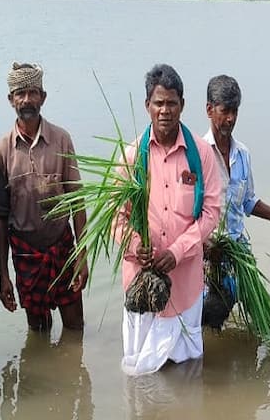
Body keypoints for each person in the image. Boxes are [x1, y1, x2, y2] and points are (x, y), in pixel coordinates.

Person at [118, 64, 223, 375]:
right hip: (142, 285)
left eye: (172, 103)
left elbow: (211, 212)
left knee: (186, 370)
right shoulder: (131, 156)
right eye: (159, 103)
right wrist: (135, 246)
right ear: (147, 105)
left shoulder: (200, 155)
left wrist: (177, 251)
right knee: (140, 372)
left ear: (182, 105)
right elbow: (117, 216)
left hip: (184, 286)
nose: (165, 110)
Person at [0, 62, 88, 331]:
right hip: (26, 254)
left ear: (43, 97)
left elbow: (77, 201)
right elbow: (0, 217)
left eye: (32, 92)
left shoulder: (61, 140)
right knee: (38, 329)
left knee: (75, 326)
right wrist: (3, 275)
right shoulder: (2, 151)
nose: (27, 99)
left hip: (62, 247)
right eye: (20, 93)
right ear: (11, 100)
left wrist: (82, 256)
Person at [202, 74, 270, 240]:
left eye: (234, 111)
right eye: (225, 111)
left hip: (238, 245)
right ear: (209, 110)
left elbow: (248, 201)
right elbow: (189, 210)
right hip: (209, 247)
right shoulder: (200, 154)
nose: (231, 118)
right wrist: (204, 242)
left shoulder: (242, 154)